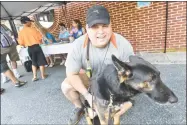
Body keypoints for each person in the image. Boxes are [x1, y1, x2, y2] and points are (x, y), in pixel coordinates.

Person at [61, 5, 134, 124]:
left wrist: (129, 101)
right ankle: (79, 107)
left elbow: (132, 74)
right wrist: (87, 95)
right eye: (95, 27)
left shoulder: (123, 44)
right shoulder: (77, 45)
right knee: (66, 86)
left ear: (111, 25)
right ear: (87, 28)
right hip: (90, 78)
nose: (101, 31)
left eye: (105, 26)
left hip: (112, 81)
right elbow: (71, 74)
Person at [18, 16, 48, 81]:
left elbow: (21, 43)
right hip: (36, 47)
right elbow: (40, 38)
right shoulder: (33, 29)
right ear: (26, 22)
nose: (31, 23)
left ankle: (34, 77)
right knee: (41, 61)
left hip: (30, 49)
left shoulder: (21, 32)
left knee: (33, 62)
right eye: (29, 22)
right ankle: (43, 76)